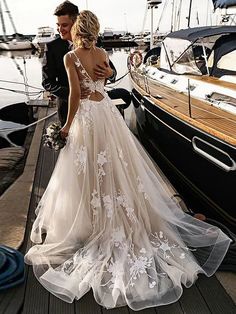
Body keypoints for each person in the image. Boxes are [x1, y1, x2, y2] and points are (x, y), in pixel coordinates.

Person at [25, 10, 231, 311]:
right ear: (95, 30)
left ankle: (91, 222)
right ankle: (116, 217)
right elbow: (105, 80)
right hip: (106, 113)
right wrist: (106, 74)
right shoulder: (101, 52)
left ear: (78, 29)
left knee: (88, 171)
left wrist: (67, 126)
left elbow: (73, 96)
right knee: (115, 167)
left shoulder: (72, 57)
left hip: (86, 117)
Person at [42, 0, 131, 125]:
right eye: (58, 25)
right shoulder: (52, 47)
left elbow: (113, 73)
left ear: (76, 23)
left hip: (97, 110)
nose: (59, 29)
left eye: (64, 25)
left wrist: (110, 73)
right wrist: (72, 92)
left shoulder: (94, 43)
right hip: (67, 109)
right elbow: (46, 82)